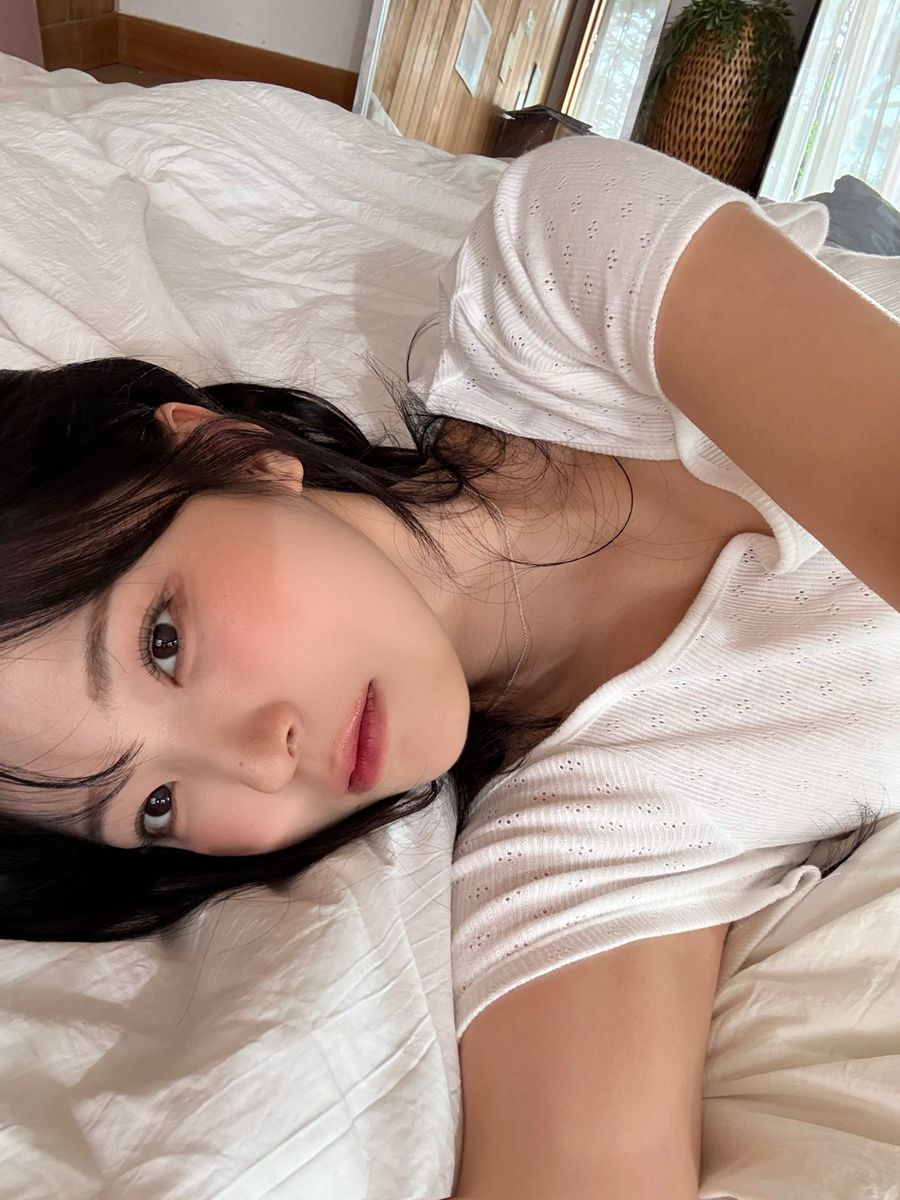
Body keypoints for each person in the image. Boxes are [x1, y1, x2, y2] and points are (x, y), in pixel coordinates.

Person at [1, 135, 898, 1195]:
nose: (258, 760)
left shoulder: (556, 276)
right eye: (155, 806)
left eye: (163, 643)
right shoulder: (570, 851)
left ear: (227, 450)